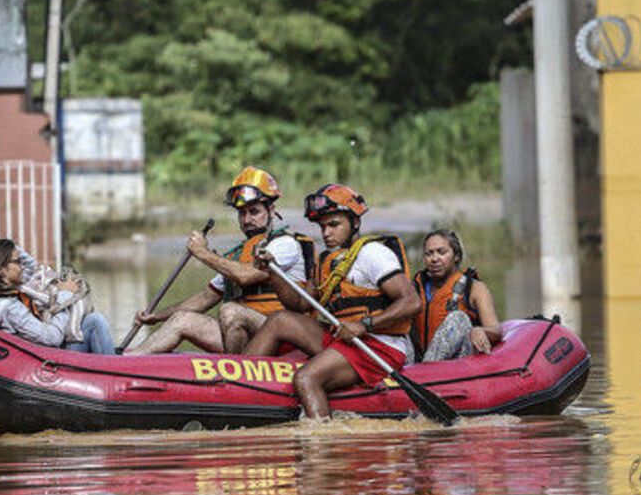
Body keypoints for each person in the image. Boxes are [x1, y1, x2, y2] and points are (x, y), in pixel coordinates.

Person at [243, 183, 421, 419]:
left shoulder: (372, 254)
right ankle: (238, 385)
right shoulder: (328, 261)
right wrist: (272, 272)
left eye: (334, 225)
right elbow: (299, 305)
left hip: (379, 344)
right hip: (344, 337)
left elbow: (411, 302)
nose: (326, 233)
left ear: (354, 223)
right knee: (279, 320)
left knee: (306, 378)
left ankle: (322, 435)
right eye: (322, 226)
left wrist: (364, 325)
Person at [126, 166, 313, 354]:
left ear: (271, 210)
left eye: (254, 211)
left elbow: (246, 276)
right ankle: (129, 360)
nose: (247, 219)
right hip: (249, 338)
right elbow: (205, 298)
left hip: (283, 338)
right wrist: (157, 316)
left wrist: (203, 253)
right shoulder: (236, 257)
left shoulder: (285, 244)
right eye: (242, 213)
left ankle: (235, 369)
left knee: (230, 310)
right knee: (182, 319)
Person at [0, 238, 115, 354]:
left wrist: (5, 247)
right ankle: (115, 373)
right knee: (96, 321)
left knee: (90, 320)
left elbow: (30, 265)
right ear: (1, 270)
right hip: (49, 362)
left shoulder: (5, 290)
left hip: (43, 353)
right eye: (17, 262)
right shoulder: (11, 308)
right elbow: (52, 338)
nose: (22, 266)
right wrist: (65, 295)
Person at [411, 229, 501, 362]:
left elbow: (496, 331)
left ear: (456, 256)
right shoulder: (415, 287)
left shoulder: (475, 288)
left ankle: (428, 368)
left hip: (457, 365)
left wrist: (480, 330)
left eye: (442, 252)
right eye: (429, 254)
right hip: (417, 362)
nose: (434, 259)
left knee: (458, 318)